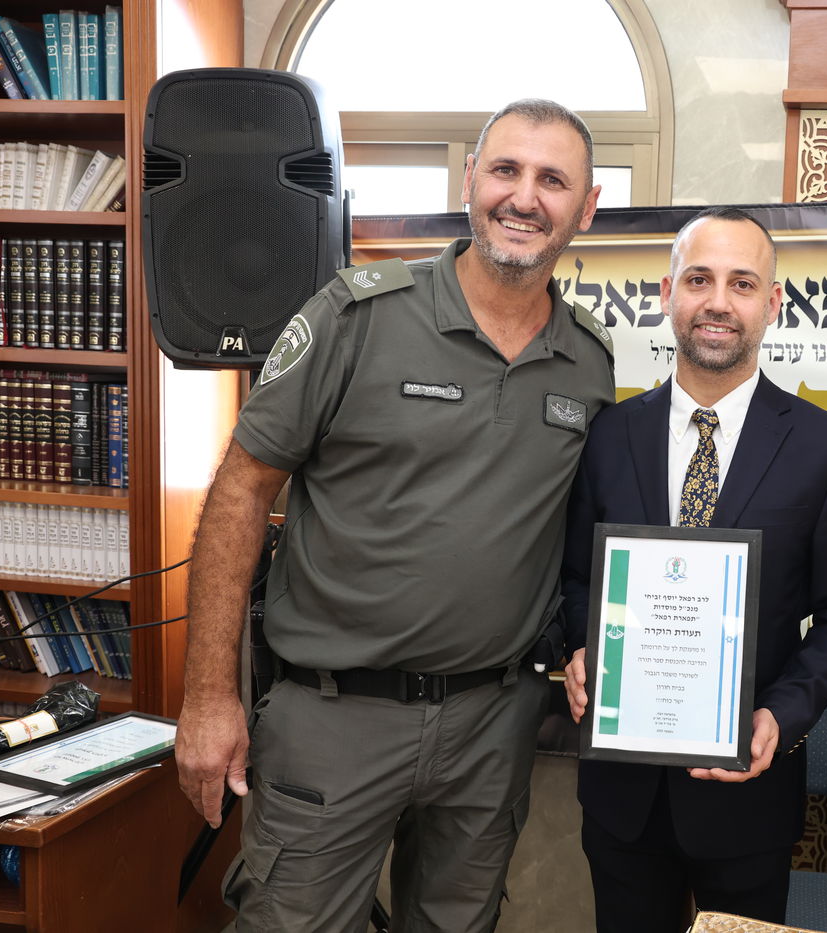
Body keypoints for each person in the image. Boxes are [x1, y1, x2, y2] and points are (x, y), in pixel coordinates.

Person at [175, 98, 614, 932]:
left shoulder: (588, 362)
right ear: (470, 180)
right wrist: (207, 697)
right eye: (506, 170)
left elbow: (579, 535)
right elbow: (240, 490)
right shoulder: (357, 315)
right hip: (333, 716)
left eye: (553, 180)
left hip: (491, 724)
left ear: (586, 208)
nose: (525, 197)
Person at [561, 206, 827, 932]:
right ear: (667, 293)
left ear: (773, 303)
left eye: (742, 283)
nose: (718, 302)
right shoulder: (608, 433)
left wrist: (782, 715)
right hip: (622, 795)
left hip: (748, 792)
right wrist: (579, 647)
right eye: (699, 279)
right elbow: (575, 578)